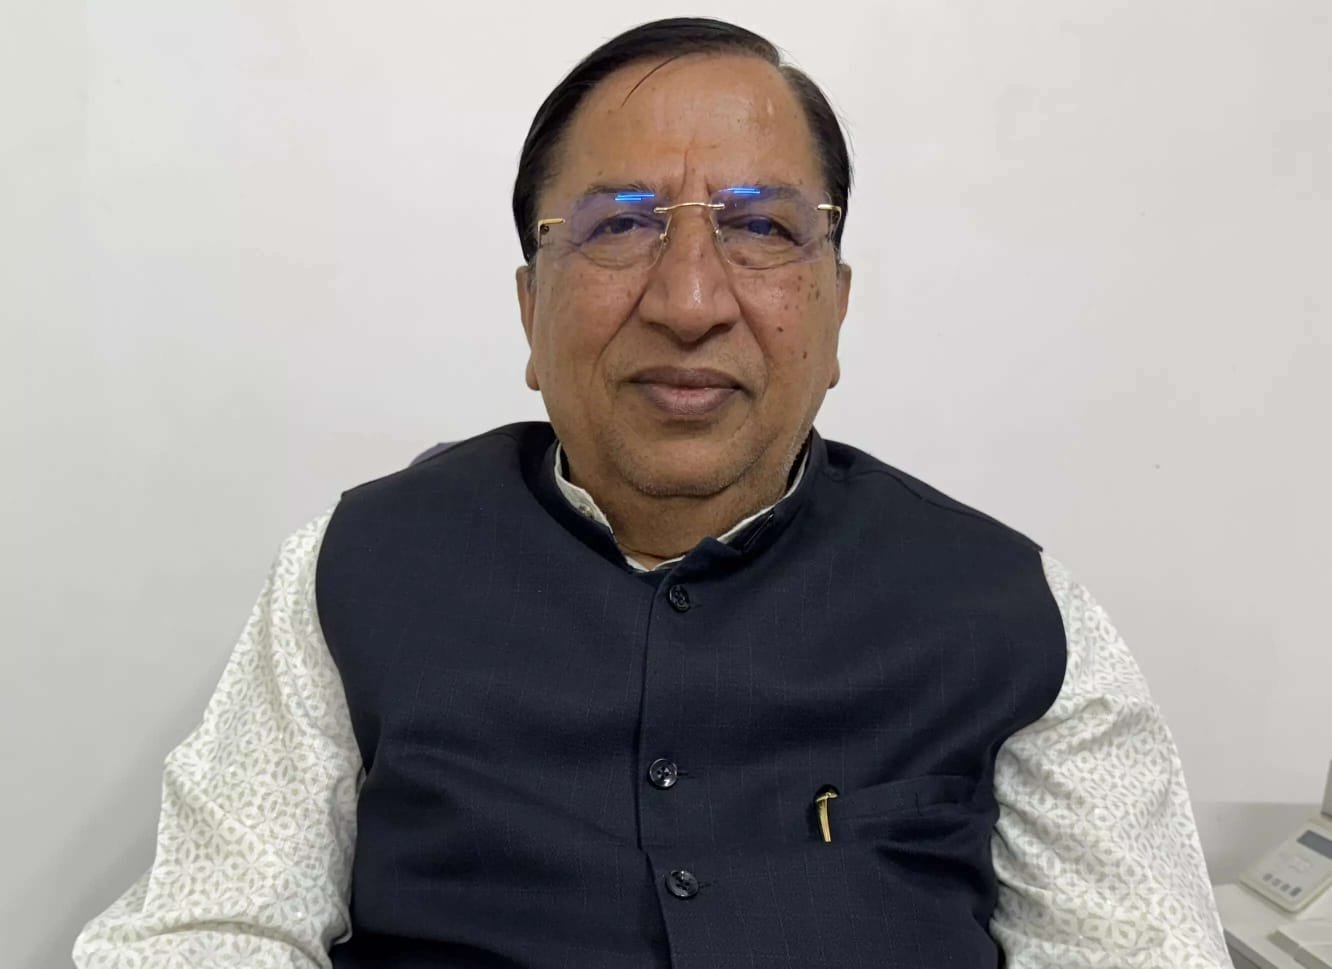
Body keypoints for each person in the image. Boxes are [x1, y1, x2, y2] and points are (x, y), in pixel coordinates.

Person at [74, 17, 1232, 969]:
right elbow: (212, 928)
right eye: (621, 226)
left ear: (836, 310)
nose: (689, 300)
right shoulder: (357, 566)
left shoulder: (1014, 612)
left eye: (760, 227)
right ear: (531, 310)